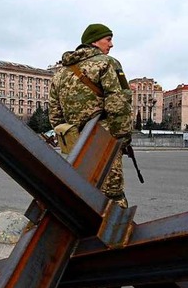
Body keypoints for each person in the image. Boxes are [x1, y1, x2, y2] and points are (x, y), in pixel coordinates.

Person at [48, 24, 133, 208]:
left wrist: (70, 138)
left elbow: (55, 115)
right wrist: (122, 139)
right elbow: (118, 104)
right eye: (108, 39)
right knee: (112, 196)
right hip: (103, 139)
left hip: (75, 144)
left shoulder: (60, 73)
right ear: (94, 41)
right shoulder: (107, 63)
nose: (111, 45)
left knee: (81, 192)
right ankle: (112, 235)